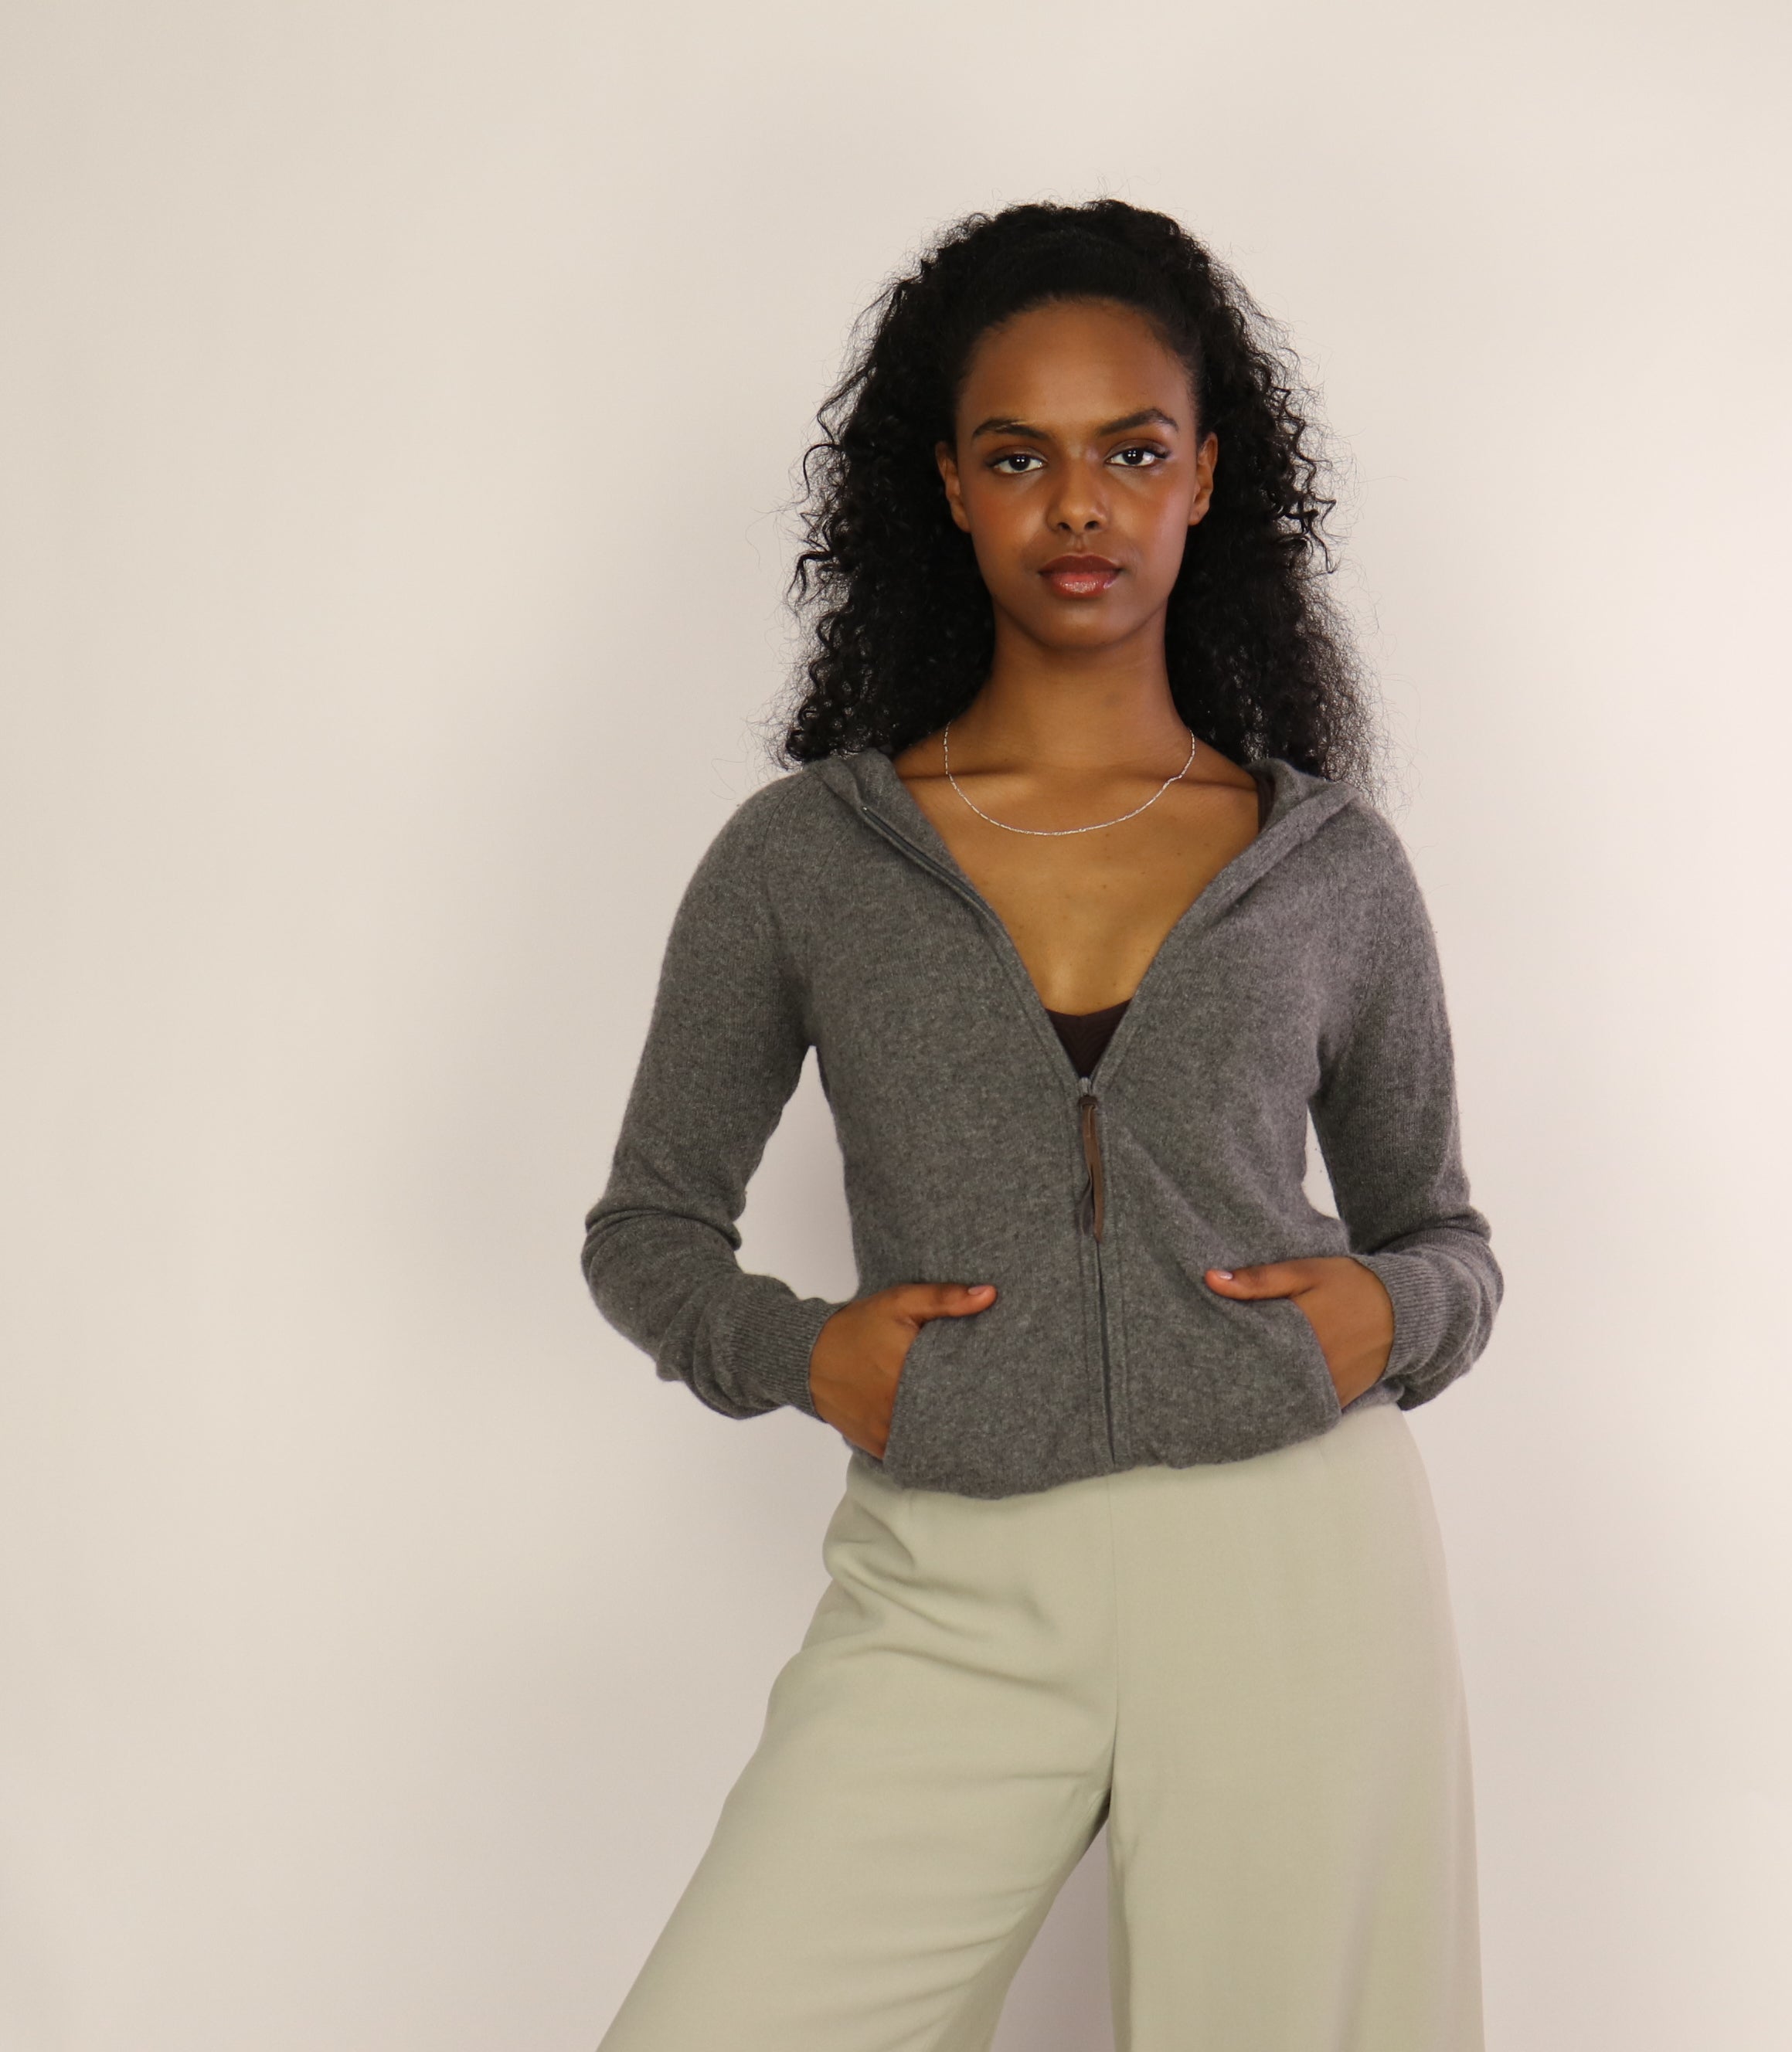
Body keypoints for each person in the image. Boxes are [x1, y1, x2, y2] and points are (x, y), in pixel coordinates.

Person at [580, 198, 1504, 2051]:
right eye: (1019, 456)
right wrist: (800, 1352)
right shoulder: (805, 859)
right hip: (952, 1576)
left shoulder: (1326, 864)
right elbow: (647, 1229)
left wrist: (1387, 1311)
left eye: (1130, 451)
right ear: (946, 486)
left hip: (1288, 1560)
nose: (1078, 505)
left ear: (1203, 476)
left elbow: (1444, 1239)